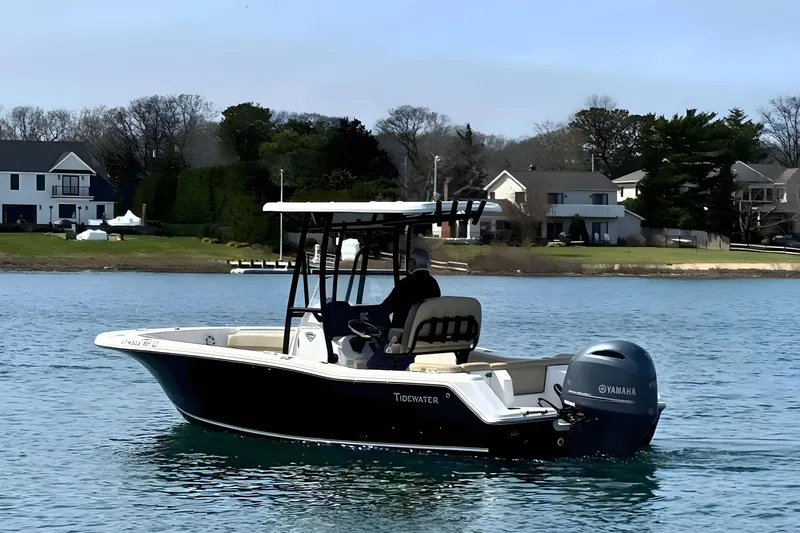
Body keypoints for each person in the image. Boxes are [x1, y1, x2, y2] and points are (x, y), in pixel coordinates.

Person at [381, 247, 441, 329]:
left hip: (404, 333)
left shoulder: (406, 283)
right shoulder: (434, 284)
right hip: (425, 332)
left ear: (413, 262)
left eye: (409, 260)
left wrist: (368, 315)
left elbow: (387, 307)